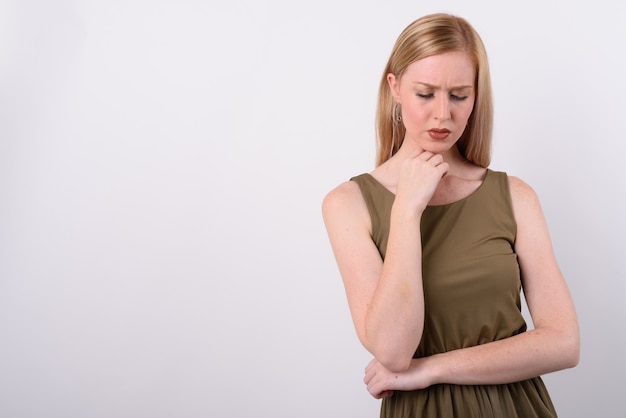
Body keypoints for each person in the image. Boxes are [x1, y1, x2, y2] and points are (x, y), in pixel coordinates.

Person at [321, 13, 579, 418]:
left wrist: (431, 370)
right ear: (395, 88)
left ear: (477, 96)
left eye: (459, 95)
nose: (443, 114)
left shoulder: (514, 196)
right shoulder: (348, 203)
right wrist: (406, 209)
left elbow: (564, 342)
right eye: (425, 93)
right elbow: (392, 349)